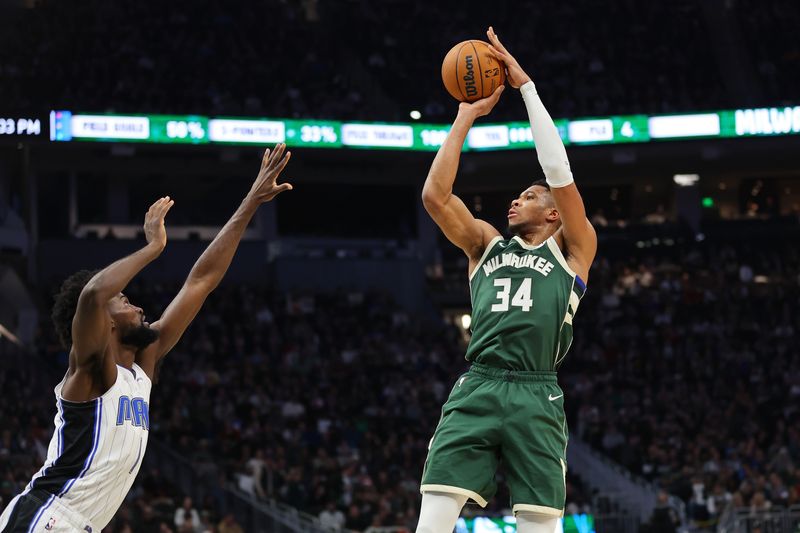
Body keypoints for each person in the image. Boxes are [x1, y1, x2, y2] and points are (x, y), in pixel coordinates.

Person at [0, 144, 293, 532]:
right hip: (48, 513)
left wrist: (250, 201)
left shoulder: (142, 364)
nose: (136, 305)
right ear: (102, 322)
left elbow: (201, 281)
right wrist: (153, 248)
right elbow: (92, 294)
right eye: (123, 300)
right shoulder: (90, 372)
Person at [416, 27, 597, 533]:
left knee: (541, 526)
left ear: (555, 215)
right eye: (516, 196)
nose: (515, 201)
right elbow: (435, 196)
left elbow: (557, 170)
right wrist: (464, 117)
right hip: (478, 383)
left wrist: (527, 89)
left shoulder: (574, 250)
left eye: (529, 196)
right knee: (432, 521)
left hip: (538, 393)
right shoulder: (485, 244)